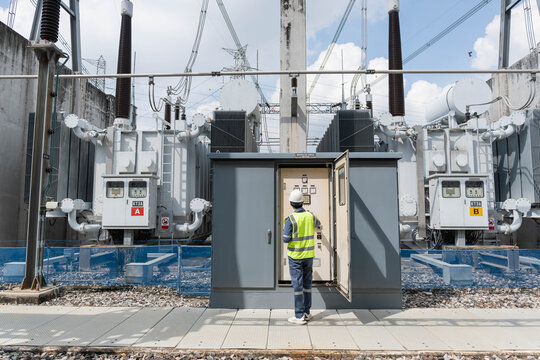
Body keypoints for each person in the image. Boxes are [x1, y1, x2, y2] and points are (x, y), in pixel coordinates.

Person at [283, 189, 321, 325]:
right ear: (302, 202)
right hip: (309, 256)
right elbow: (319, 226)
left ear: (291, 204)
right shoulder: (311, 216)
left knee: (297, 285)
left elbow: (285, 239)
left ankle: (299, 316)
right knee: (307, 284)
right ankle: (306, 312)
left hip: (295, 256)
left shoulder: (290, 219)